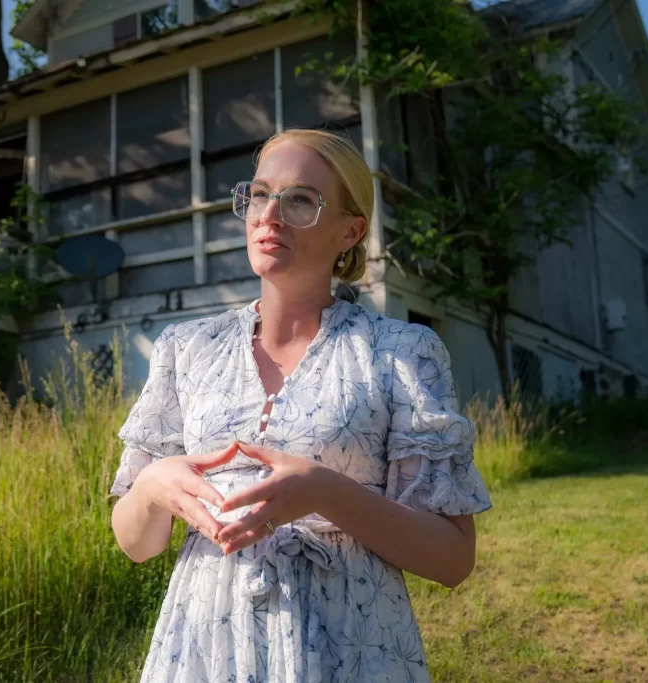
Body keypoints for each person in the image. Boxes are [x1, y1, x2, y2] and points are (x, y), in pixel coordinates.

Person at [108, 128, 492, 683]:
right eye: (260, 194)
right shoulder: (186, 349)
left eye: (301, 201)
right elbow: (136, 543)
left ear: (350, 230)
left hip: (348, 647)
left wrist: (324, 491)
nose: (269, 215)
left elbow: (453, 559)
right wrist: (152, 487)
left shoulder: (400, 353)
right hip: (207, 646)